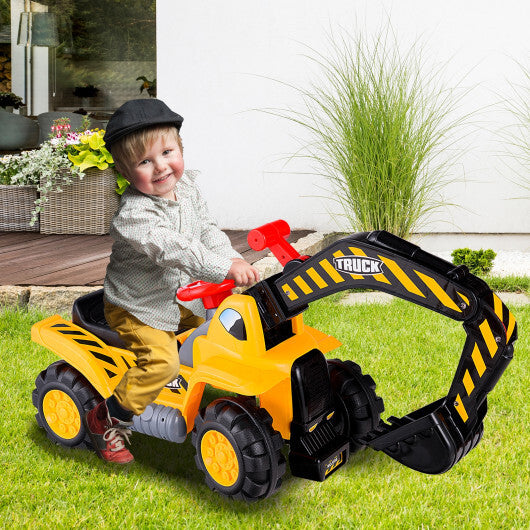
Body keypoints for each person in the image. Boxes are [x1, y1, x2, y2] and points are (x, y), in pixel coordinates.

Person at [84, 99, 260, 464]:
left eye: (167, 152)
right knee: (163, 363)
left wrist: (233, 257)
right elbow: (175, 250)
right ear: (125, 171)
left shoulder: (190, 190)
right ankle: (108, 418)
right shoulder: (134, 214)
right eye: (144, 161)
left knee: (223, 333)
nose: (161, 166)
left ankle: (227, 394)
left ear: (181, 149)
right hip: (138, 306)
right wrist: (220, 268)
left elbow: (207, 230)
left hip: (180, 297)